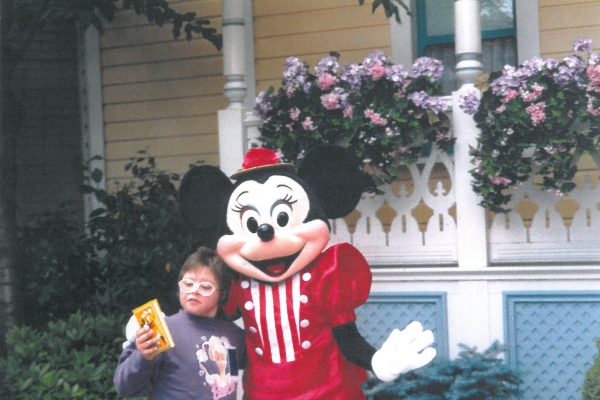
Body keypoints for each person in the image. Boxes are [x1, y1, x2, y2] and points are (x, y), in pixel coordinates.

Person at [114, 246, 247, 400]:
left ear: (222, 293)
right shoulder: (159, 329)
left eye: (205, 287)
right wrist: (143, 356)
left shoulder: (234, 335)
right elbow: (124, 388)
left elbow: (247, 375)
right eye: (188, 284)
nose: (194, 291)